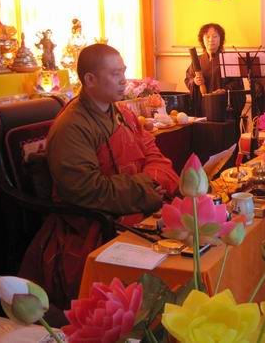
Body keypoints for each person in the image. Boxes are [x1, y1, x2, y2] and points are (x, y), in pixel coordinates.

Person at [20, 43, 179, 314]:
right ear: (90, 80)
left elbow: (154, 155)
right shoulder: (72, 126)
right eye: (115, 74)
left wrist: (153, 181)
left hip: (137, 205)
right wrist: (150, 186)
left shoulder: (123, 113)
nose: (124, 80)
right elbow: (87, 189)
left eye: (123, 72)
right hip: (92, 225)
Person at [184, 23, 245, 118]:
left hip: (223, 106)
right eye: (207, 37)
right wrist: (195, 82)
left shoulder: (229, 59)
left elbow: (238, 84)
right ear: (202, 39)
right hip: (202, 107)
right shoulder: (197, 60)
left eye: (215, 36)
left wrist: (225, 90)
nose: (211, 40)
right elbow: (188, 79)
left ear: (221, 39)